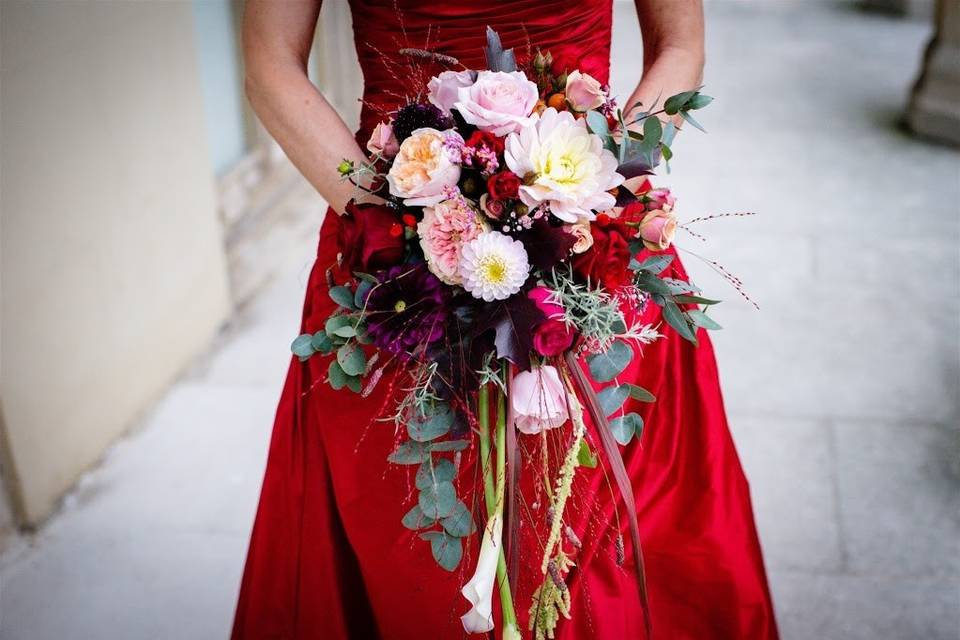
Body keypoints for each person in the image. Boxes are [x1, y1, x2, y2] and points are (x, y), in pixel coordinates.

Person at [233, 1, 779, 638]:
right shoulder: (394, 226)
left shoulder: (591, 208)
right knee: (407, 543)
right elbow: (270, 63)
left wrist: (596, 186)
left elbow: (680, 45)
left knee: (603, 527)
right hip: (393, 244)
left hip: (588, 231)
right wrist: (402, 220)